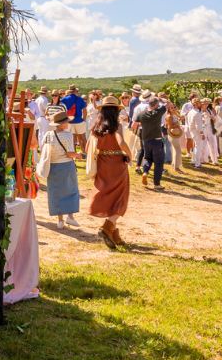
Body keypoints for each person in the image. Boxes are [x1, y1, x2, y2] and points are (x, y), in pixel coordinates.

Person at [88, 95, 131, 250]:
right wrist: (130, 154)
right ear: (115, 111)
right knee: (121, 197)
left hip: (102, 162)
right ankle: (107, 227)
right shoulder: (117, 125)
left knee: (107, 195)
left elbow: (89, 146)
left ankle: (114, 234)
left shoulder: (96, 126)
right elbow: (121, 143)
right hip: (117, 163)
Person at [43, 112, 81, 230]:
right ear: (62, 123)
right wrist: (78, 155)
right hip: (66, 165)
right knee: (71, 190)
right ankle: (70, 216)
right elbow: (70, 153)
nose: (69, 123)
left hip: (53, 166)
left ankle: (60, 220)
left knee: (56, 192)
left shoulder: (49, 134)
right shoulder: (68, 135)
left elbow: (43, 148)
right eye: (67, 121)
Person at [132, 94, 167, 190]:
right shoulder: (158, 112)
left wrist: (143, 126)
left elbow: (133, 126)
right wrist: (161, 99)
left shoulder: (141, 114)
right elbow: (168, 103)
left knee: (148, 159)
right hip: (157, 141)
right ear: (156, 105)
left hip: (146, 141)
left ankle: (145, 172)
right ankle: (156, 184)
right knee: (159, 163)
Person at [61, 85, 88, 153]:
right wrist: (84, 120)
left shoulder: (64, 99)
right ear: (75, 91)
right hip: (79, 120)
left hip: (69, 121)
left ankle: (74, 153)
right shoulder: (80, 99)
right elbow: (85, 111)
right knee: (83, 138)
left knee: (72, 139)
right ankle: (87, 153)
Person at [165, 101, 184, 172]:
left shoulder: (174, 115)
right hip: (172, 134)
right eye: (171, 108)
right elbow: (171, 126)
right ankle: (176, 167)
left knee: (176, 150)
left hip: (175, 134)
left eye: (174, 107)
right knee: (177, 150)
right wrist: (179, 121)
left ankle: (175, 166)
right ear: (168, 109)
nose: (173, 109)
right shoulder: (169, 116)